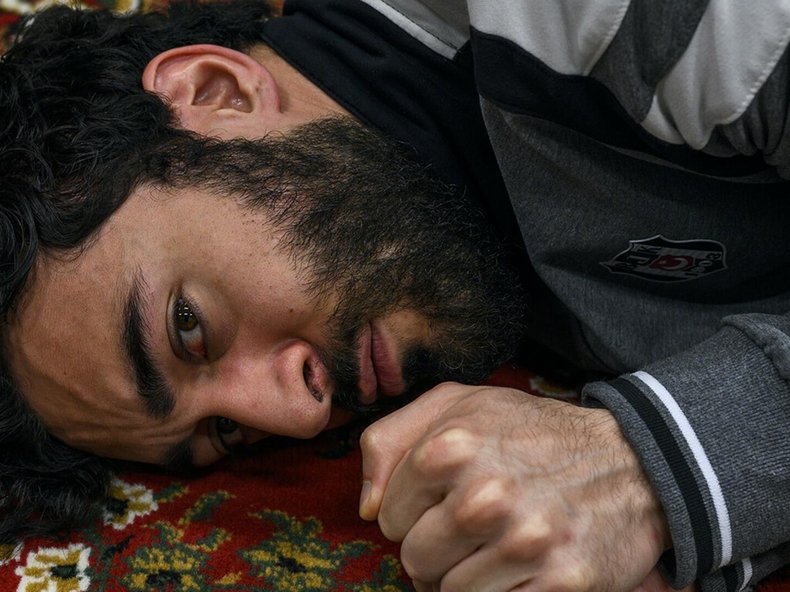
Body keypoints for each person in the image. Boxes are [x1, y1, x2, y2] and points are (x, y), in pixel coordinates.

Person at [1, 1, 788, 591]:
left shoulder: (582, 16)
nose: (300, 415)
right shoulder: (431, 246)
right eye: (226, 432)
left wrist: (647, 467)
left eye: (190, 327)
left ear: (215, 92)